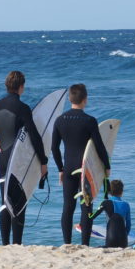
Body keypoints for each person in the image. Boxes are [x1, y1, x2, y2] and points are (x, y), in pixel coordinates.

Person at [0, 70, 47, 245]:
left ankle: (5, 243)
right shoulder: (22, 108)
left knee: (5, 201)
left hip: (3, 158)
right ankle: (17, 243)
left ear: (7, 86)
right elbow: (35, 136)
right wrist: (43, 161)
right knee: (19, 201)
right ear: (21, 87)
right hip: (18, 159)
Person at [52, 83, 109, 246]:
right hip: (86, 169)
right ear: (85, 99)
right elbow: (98, 146)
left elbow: (54, 147)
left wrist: (60, 168)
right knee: (86, 206)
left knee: (68, 207)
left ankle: (67, 243)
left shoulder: (60, 120)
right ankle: (85, 244)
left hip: (69, 167)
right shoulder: (90, 121)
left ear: (70, 99)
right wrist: (106, 165)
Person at [97, 179, 132, 248]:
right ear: (122, 191)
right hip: (123, 242)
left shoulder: (105, 203)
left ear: (109, 192)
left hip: (111, 240)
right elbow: (128, 226)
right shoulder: (126, 205)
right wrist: (125, 235)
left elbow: (92, 217)